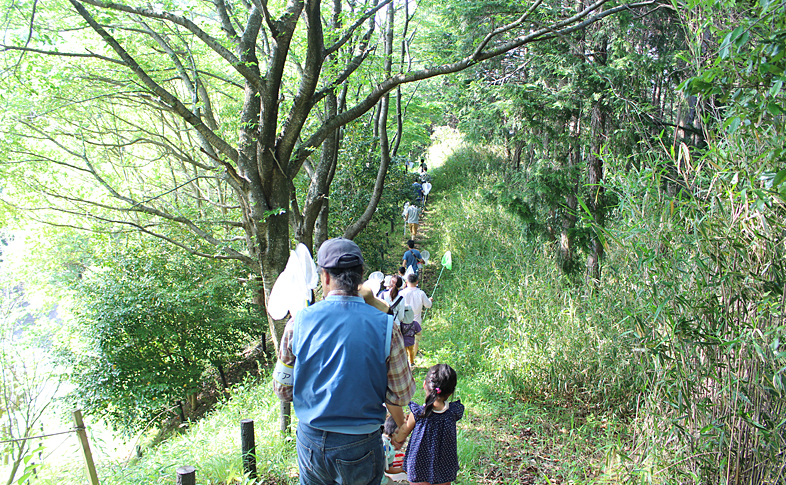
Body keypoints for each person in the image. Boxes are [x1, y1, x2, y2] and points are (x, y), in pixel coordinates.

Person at [273, 238, 416, 485]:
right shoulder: (386, 326)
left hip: (311, 442)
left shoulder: (298, 323)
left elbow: (283, 390)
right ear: (360, 276)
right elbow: (400, 395)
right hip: (361, 444)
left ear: (325, 277)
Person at [391, 364, 464, 485]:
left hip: (419, 465)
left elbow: (404, 430)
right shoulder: (453, 412)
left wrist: (397, 440)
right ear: (451, 392)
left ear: (425, 385)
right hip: (444, 467)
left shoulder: (419, 413)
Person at [400, 273, 432, 362]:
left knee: (404, 339)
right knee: (416, 340)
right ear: (417, 282)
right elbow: (428, 305)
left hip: (404, 320)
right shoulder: (421, 293)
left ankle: (405, 360)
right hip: (417, 321)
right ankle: (412, 360)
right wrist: (429, 300)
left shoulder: (402, 293)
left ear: (406, 282)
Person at [381, 415, 405, 485]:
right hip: (377, 480)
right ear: (395, 434)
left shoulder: (379, 437)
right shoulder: (390, 450)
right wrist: (402, 469)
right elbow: (388, 470)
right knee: (390, 482)